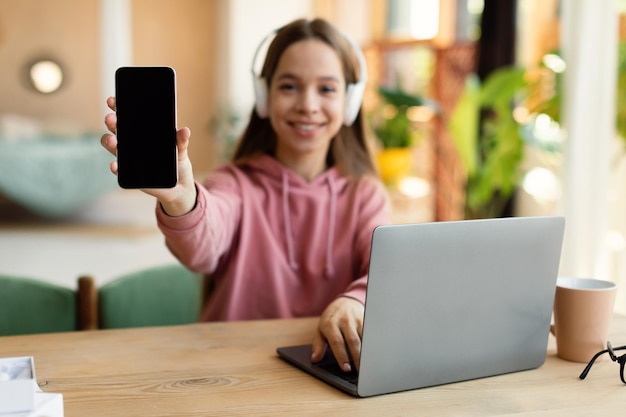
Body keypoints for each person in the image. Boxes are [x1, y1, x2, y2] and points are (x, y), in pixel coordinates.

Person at [101, 17, 391, 372]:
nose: (308, 105)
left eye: (327, 89)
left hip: (326, 370)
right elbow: (203, 248)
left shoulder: (366, 196)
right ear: (263, 96)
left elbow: (384, 273)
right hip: (231, 370)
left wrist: (356, 301)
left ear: (350, 101)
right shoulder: (235, 183)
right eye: (289, 86)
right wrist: (181, 199)